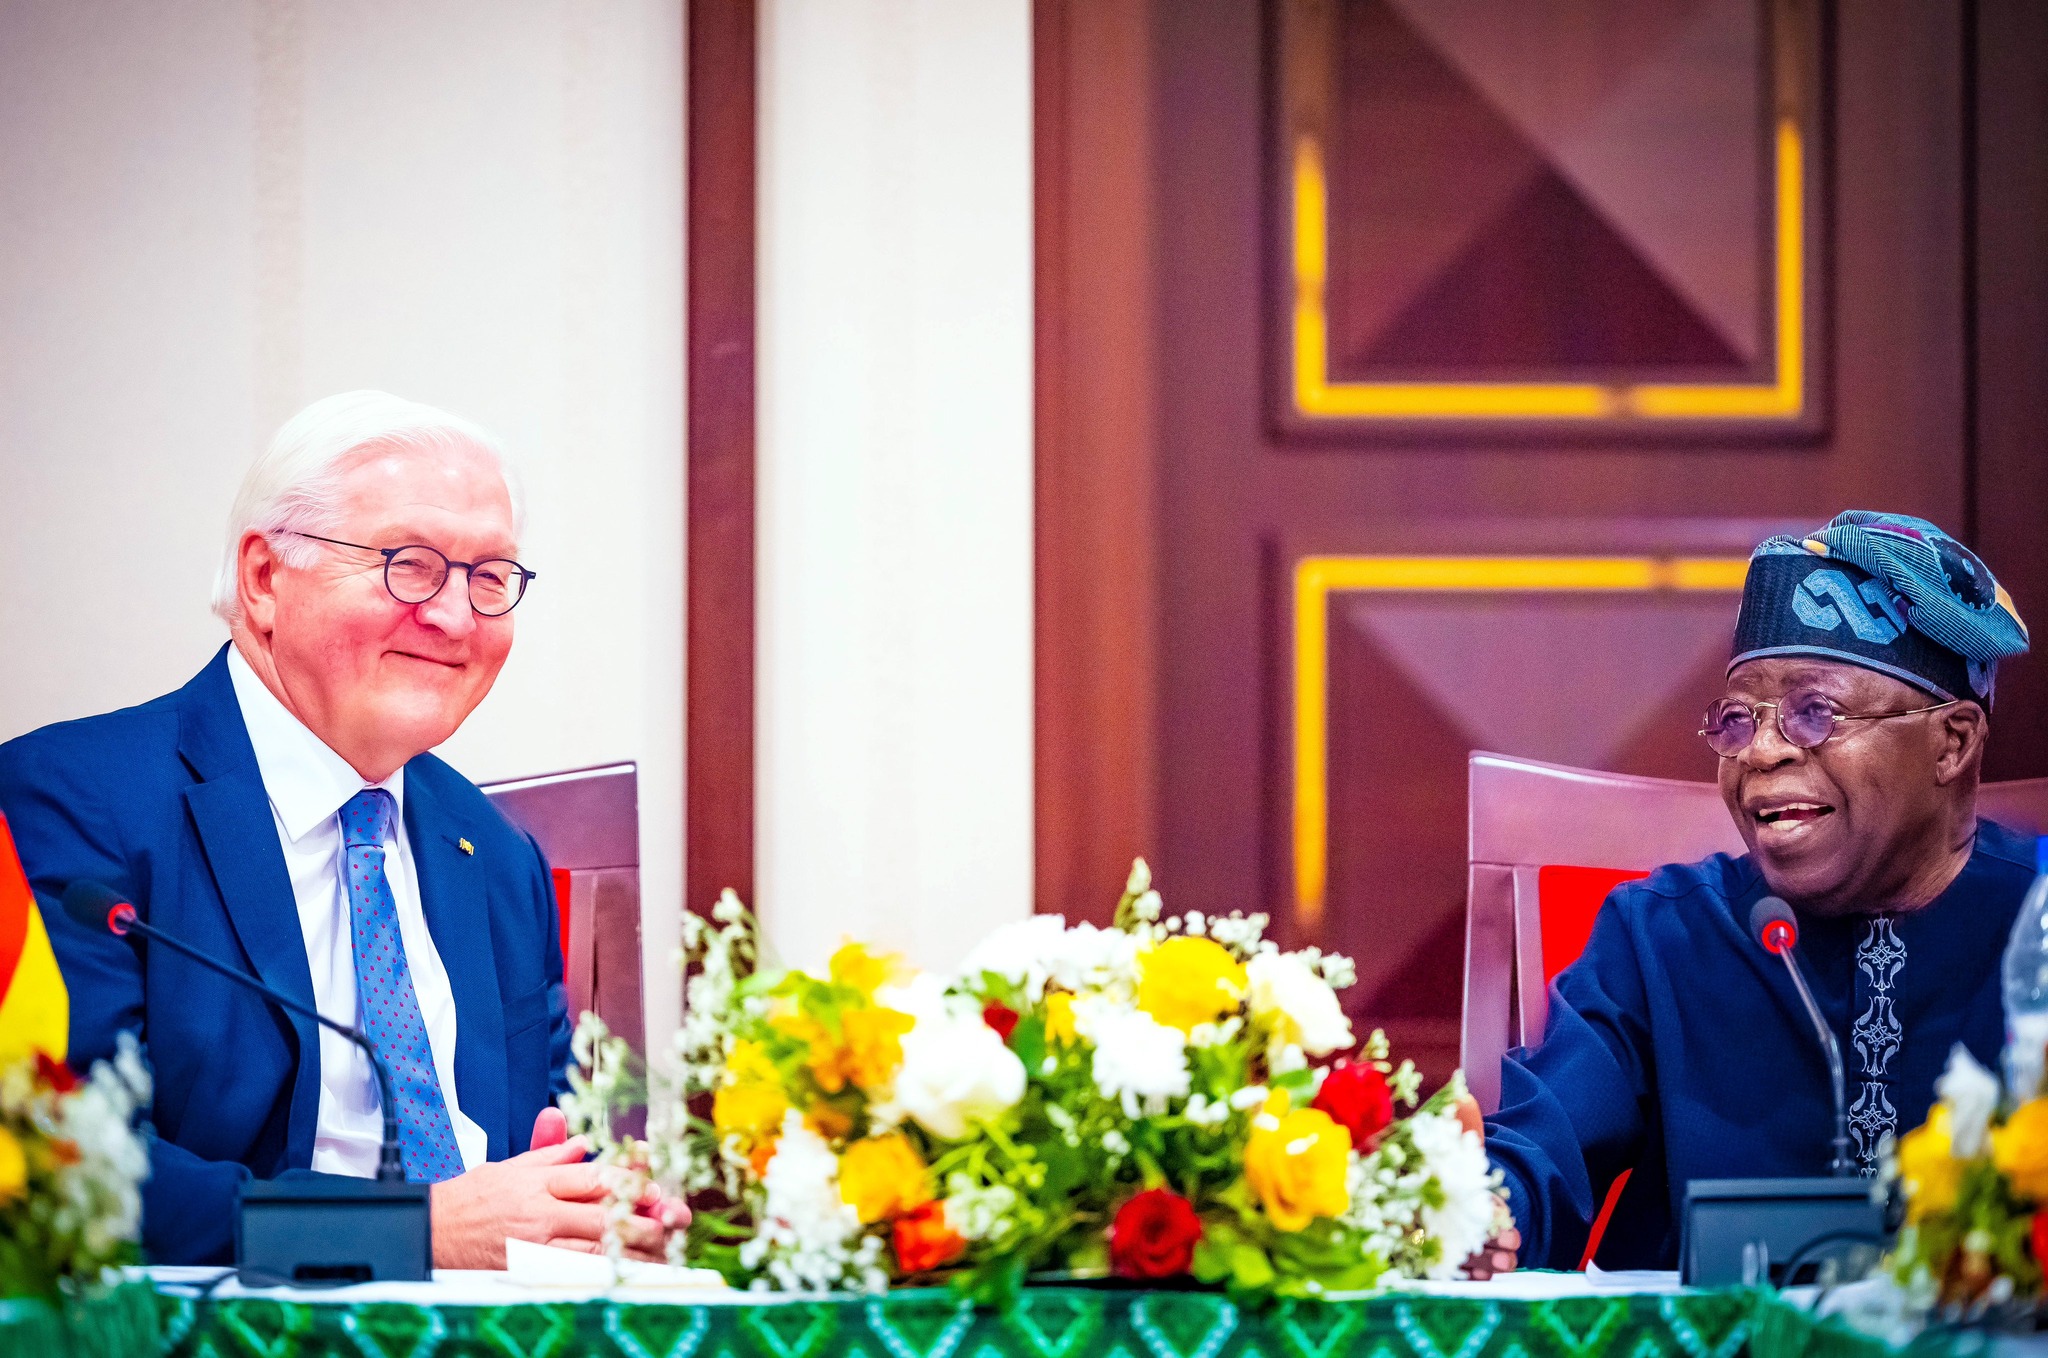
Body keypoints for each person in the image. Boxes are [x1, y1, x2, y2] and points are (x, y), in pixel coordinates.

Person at [0, 392, 684, 1266]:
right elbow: (63, 1172)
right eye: (410, 563)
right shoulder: (74, 800)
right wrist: (414, 1234)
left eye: (489, 577)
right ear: (263, 578)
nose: (455, 616)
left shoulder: (499, 856)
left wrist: (597, 1200)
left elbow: (535, 1160)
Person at [1482, 511, 2034, 1270]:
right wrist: (1484, 1207)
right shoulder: (1661, 939)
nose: (1763, 751)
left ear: (1953, 742)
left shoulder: (2035, 926)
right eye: (1739, 719)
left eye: (1816, 714)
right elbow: (1540, 1156)